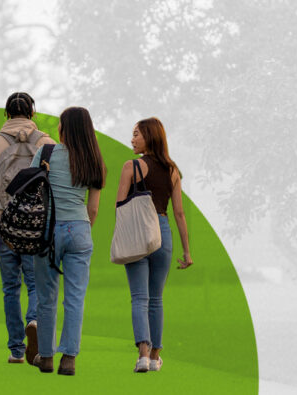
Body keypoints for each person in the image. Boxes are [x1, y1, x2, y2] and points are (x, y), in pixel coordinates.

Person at [0, 92, 55, 365]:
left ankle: (15, 349)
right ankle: (34, 320)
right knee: (35, 283)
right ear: (33, 113)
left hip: (4, 224)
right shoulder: (47, 144)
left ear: (6, 114)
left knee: (10, 287)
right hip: (36, 226)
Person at [31, 106, 105, 376]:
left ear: (64, 128)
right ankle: (69, 358)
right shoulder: (94, 160)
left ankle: (47, 356)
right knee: (75, 297)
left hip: (47, 231)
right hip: (80, 229)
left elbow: (31, 190)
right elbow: (94, 208)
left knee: (46, 297)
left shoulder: (46, 153)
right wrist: (81, 229)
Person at [116, 117, 193, 373]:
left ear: (149, 136)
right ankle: (156, 357)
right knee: (156, 298)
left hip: (138, 232)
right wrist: (187, 251)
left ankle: (142, 354)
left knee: (139, 297)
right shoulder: (172, 170)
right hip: (162, 232)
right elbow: (179, 213)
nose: (132, 139)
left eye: (136, 134)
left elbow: (121, 207)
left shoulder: (131, 166)